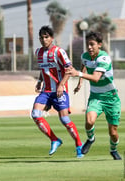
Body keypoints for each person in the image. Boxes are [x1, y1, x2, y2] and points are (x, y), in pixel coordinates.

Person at [66, 31, 122, 160]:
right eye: (88, 44)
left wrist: (78, 74)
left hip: (111, 98)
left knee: (113, 132)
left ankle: (113, 150)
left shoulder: (104, 58)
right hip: (96, 96)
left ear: (100, 45)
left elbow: (96, 78)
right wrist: (80, 82)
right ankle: (91, 139)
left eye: (92, 44)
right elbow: (84, 65)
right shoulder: (85, 56)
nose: (89, 47)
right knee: (89, 121)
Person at [31, 25, 84, 158]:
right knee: (36, 114)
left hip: (60, 91)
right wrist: (39, 81)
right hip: (46, 91)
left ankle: (79, 145)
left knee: (65, 119)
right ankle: (54, 140)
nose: (44, 40)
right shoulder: (38, 52)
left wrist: (61, 85)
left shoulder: (59, 52)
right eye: (41, 37)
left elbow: (69, 69)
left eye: (46, 37)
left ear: (52, 38)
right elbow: (44, 69)